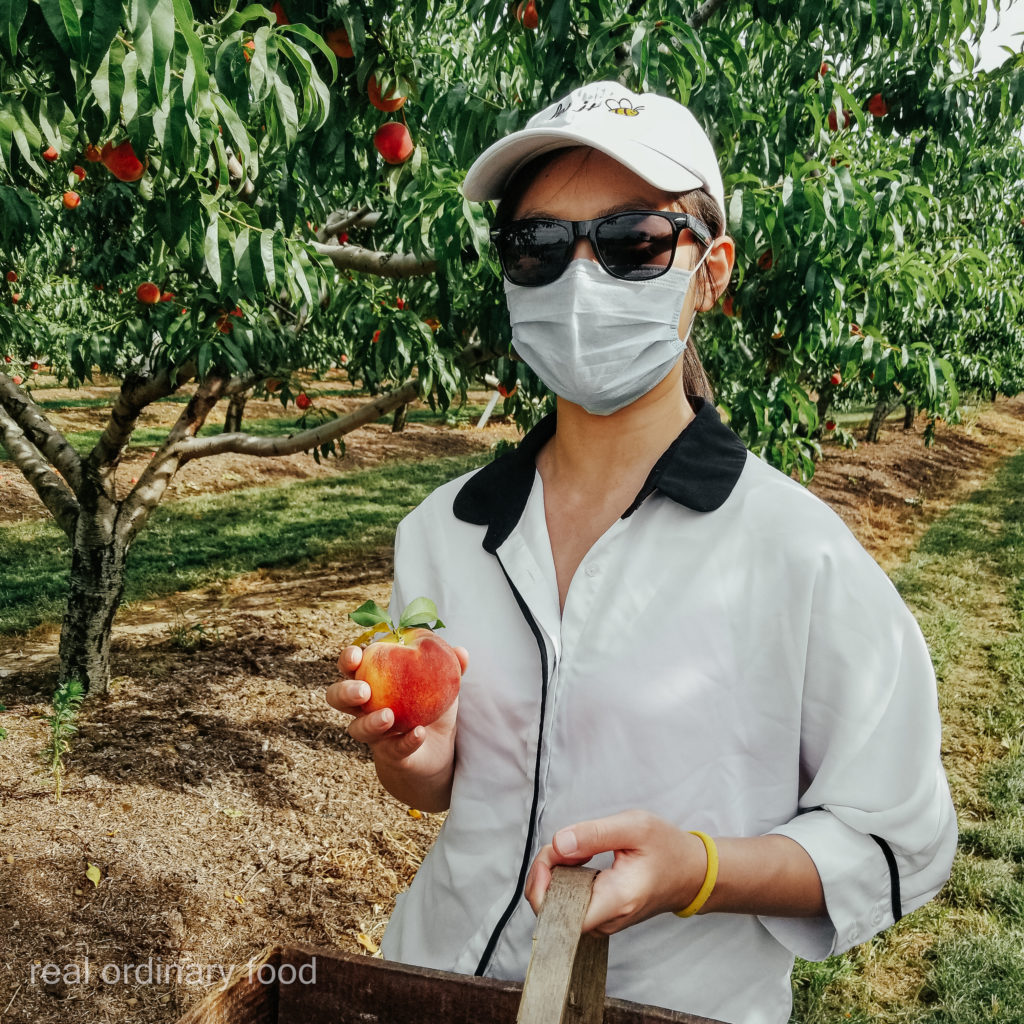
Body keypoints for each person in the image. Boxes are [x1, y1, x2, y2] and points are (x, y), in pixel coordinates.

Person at [326, 81, 957, 1024]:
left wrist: (696, 870)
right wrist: (411, 755)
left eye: (633, 244)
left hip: (664, 1006)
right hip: (432, 983)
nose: (579, 279)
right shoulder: (445, 529)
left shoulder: (795, 555)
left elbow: (901, 837)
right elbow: (444, 788)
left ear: (711, 271)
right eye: (537, 247)